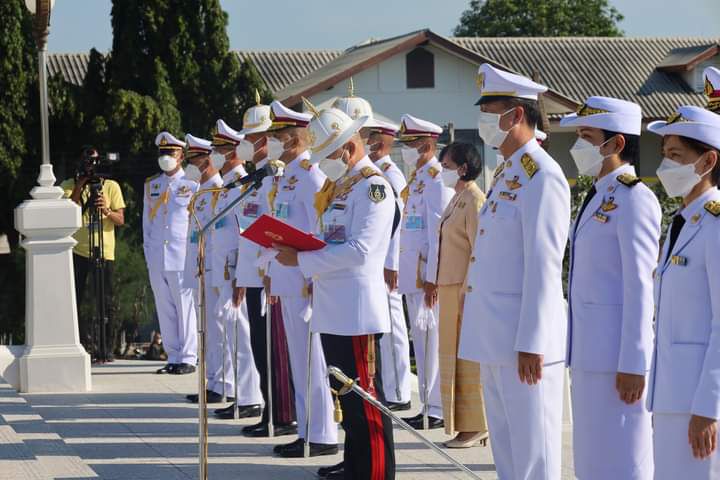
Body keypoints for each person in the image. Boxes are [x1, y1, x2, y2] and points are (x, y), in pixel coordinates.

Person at [458, 63, 571, 480]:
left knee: (534, 455)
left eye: (490, 112)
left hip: (524, 342)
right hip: (496, 336)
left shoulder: (542, 176)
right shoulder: (510, 172)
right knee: (507, 452)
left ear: (516, 115)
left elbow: (543, 264)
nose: (484, 121)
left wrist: (532, 342)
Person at [274, 103, 396, 480]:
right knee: (347, 398)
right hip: (333, 307)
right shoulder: (344, 185)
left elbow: (361, 251)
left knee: (365, 401)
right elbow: (331, 239)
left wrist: (303, 260)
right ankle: (356, 467)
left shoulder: (373, 187)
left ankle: (376, 473)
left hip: (357, 311)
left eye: (328, 154)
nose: (324, 163)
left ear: (348, 147)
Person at [561, 97, 660, 479]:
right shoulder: (599, 194)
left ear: (616, 143)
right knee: (592, 458)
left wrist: (634, 362)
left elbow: (640, 285)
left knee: (625, 457)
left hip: (617, 358)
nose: (578, 145)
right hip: (589, 354)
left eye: (587, 137)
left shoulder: (635, 199)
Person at [646, 98, 720, 478]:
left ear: (707, 162)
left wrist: (709, 406)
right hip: (671, 395)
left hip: (698, 401)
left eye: (676, 155)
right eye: (665, 154)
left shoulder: (716, 225)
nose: (665, 165)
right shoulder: (684, 221)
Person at [264, 100, 338, 458]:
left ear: (294, 140)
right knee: (298, 358)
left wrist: (313, 274)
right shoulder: (288, 176)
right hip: (286, 275)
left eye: (277, 137)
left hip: (305, 279)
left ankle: (322, 433)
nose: (272, 143)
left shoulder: (311, 176)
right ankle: (306, 429)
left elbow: (320, 229)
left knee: (311, 359)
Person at [227, 94, 298, 437]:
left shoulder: (277, 177)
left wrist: (268, 272)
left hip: (271, 274)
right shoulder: (257, 178)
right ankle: (271, 410)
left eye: (253, 138)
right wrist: (241, 274)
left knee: (274, 350)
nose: (246, 144)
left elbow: (278, 228)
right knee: (260, 346)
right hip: (254, 274)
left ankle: (282, 415)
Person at [425, 142, 488, 448]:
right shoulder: (457, 198)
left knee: (468, 359)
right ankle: (462, 424)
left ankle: (477, 424)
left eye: (447, 166)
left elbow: (479, 250)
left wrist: (468, 290)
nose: (442, 171)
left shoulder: (475, 199)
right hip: (448, 287)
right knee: (452, 357)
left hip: (463, 290)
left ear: (463, 168)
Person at [397, 114, 453, 430]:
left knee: (432, 342)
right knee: (421, 343)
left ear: (428, 145)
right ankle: (427, 405)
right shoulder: (418, 179)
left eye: (412, 143)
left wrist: (433, 278)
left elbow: (438, 235)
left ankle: (437, 407)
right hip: (413, 274)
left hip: (426, 277)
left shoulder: (436, 180)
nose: (406, 149)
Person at [207, 119, 263, 418]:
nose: (213, 155)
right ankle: (241, 395)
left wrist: (243, 273)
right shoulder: (229, 186)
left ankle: (249, 397)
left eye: (219, 150)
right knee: (230, 331)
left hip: (236, 270)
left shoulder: (245, 183)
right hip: (224, 269)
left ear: (233, 152)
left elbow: (246, 233)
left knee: (241, 332)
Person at [366, 119, 413, 411]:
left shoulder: (390, 175)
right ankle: (389, 386)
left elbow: (399, 223)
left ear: (381, 141)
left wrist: (392, 263)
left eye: (368, 136)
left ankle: (398, 392)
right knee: (382, 326)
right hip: (375, 261)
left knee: (393, 326)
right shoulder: (371, 173)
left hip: (387, 263)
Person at [62, 146, 126, 360]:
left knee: (105, 301)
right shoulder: (68, 185)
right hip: (77, 249)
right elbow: (66, 212)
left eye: (94, 163)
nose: (91, 167)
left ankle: (105, 348)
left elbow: (120, 220)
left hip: (104, 251)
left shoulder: (111, 186)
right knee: (76, 299)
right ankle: (78, 344)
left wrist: (106, 210)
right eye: (87, 162)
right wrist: (80, 184)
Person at [143, 132, 199, 375]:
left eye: (171, 152)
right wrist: (148, 254)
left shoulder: (193, 184)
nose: (166, 157)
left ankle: (188, 357)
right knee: (164, 308)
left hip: (182, 254)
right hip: (157, 255)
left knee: (185, 307)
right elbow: (147, 224)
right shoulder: (152, 185)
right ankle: (173, 356)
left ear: (181, 156)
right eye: (162, 153)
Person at [181, 133, 227, 404]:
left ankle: (222, 384)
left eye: (194, 161)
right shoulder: (202, 191)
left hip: (212, 267)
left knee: (217, 330)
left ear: (207, 161)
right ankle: (212, 381)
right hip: (200, 267)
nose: (190, 166)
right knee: (207, 330)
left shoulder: (218, 189)